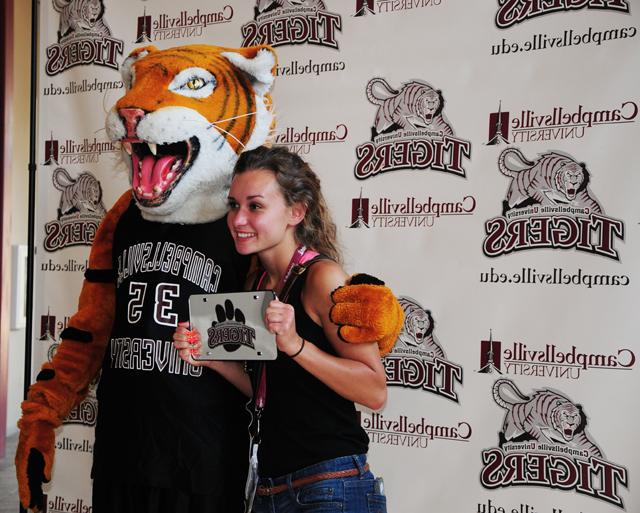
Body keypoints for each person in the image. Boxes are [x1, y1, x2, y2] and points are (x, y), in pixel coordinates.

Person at [174, 145, 389, 513]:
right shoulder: (256, 284)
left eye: (255, 206)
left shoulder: (323, 277)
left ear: (296, 211)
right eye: (233, 205)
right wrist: (211, 360)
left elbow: (374, 391)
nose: (238, 220)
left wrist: (295, 344)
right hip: (269, 490)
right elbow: (271, 389)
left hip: (329, 486)